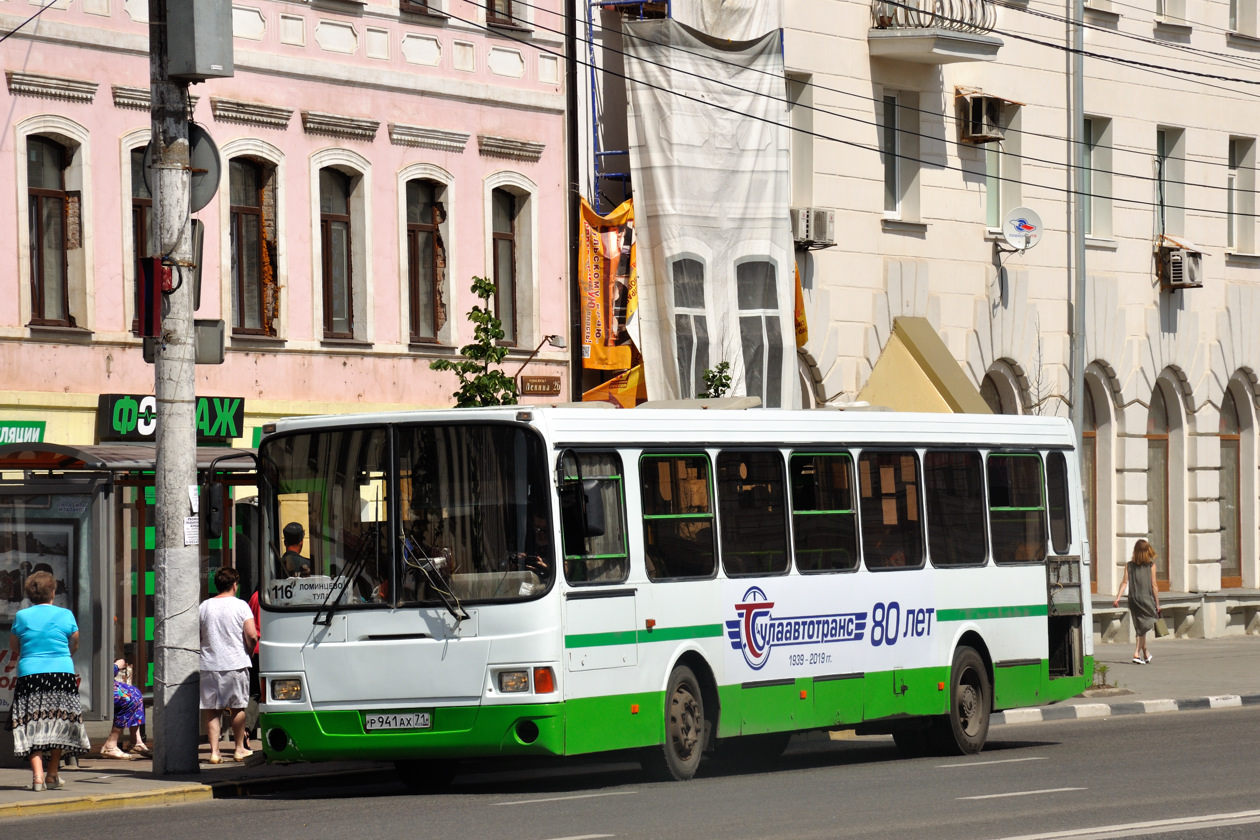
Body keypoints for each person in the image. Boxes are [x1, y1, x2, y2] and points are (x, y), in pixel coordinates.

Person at [5, 570, 90, 791]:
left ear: (30, 595)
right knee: (59, 722)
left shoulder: (22, 616)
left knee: (31, 722)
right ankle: (52, 773)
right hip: (61, 674)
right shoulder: (66, 615)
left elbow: (15, 647)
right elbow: (75, 644)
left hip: (30, 674)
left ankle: (37, 777)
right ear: (53, 591)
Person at [199, 567, 258, 764]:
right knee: (237, 707)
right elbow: (251, 634)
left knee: (211, 709)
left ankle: (214, 752)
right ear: (234, 585)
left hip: (209, 664)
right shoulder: (241, 606)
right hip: (235, 663)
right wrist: (248, 651)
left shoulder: (204, 606)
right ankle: (239, 749)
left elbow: (197, 633)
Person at [1113, 538, 1162, 664]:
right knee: (1148, 624)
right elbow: (1154, 586)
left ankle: (1145, 653)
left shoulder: (1129, 565)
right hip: (1146, 599)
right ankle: (1136, 653)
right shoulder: (1151, 566)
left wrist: (1118, 597)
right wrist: (1157, 604)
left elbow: (1124, 582)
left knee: (1140, 626)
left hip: (1133, 599)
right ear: (1147, 551)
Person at [99, 656, 150, 759]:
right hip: (93, 686)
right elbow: (99, 674)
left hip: (104, 684)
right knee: (128, 698)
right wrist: (116, 666)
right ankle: (110, 746)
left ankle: (136, 742)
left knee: (135, 692)